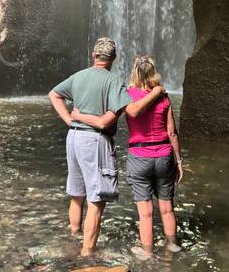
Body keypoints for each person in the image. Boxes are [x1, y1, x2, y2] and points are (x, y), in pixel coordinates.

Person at [48, 38, 163, 257]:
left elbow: (54, 94)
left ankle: (74, 238)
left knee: (76, 194)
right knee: (96, 200)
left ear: (94, 56)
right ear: (113, 59)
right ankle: (87, 252)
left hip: (73, 138)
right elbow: (104, 122)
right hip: (94, 141)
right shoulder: (113, 81)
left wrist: (70, 120)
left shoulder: (78, 76)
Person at [71, 54, 183, 259]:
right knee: (167, 208)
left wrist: (79, 117)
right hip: (164, 155)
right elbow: (172, 132)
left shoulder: (127, 94)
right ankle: (172, 247)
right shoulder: (164, 96)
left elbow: (108, 118)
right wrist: (178, 161)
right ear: (153, 72)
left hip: (139, 156)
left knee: (145, 212)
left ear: (134, 73)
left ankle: (147, 253)